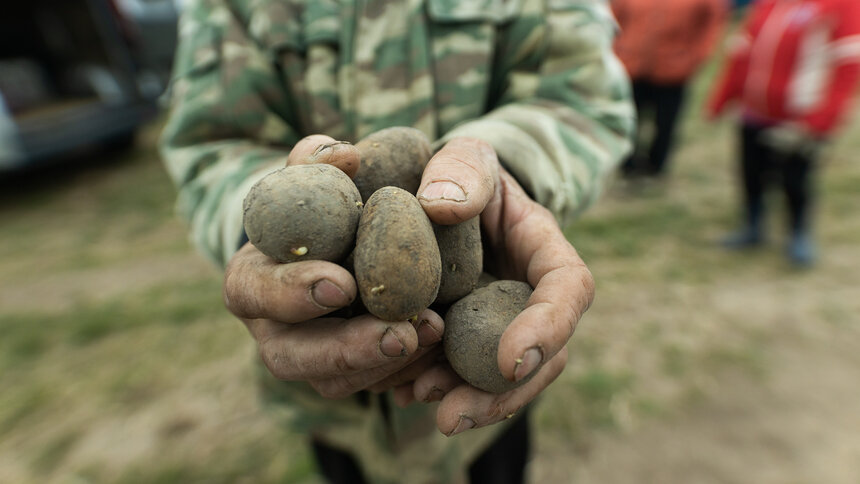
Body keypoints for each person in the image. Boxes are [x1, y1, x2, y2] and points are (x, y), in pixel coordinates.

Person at [159, 0, 635, 482]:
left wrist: (507, 177)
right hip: (334, 401)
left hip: (478, 401)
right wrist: (267, 250)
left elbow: (586, 100)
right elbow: (208, 144)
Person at [707, 0, 860, 267]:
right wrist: (724, 97)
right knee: (751, 172)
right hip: (755, 111)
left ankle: (799, 235)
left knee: (795, 179)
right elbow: (743, 50)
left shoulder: (842, 5)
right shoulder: (770, 3)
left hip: (798, 119)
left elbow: (847, 65)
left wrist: (820, 121)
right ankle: (752, 228)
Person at [612, 0, 728, 178]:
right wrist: (616, 51)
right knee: (627, 119)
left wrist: (691, 60)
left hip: (672, 71)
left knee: (665, 123)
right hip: (631, 66)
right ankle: (628, 165)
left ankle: (655, 167)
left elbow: (711, 26)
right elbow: (614, 17)